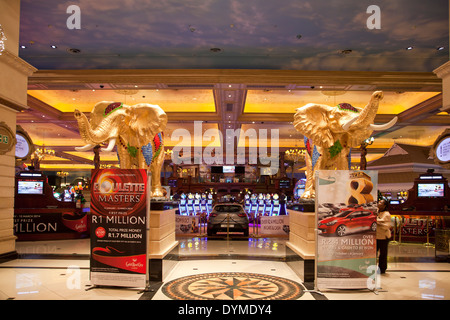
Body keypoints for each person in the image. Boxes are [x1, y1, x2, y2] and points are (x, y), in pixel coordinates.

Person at [376, 199, 391, 274]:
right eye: (379, 202)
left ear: (385, 205)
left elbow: (386, 226)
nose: (379, 203)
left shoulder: (386, 214)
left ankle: (382, 268)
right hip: (376, 236)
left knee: (383, 254)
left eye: (381, 202)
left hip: (384, 237)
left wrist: (377, 221)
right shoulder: (377, 211)